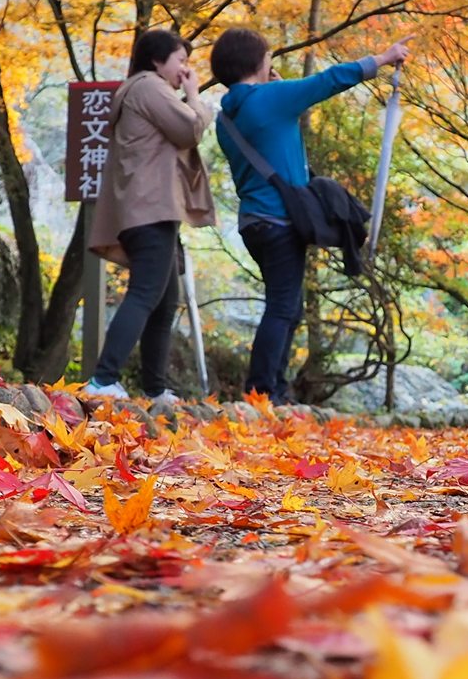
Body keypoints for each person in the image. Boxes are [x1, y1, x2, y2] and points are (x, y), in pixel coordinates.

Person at [210, 26, 411, 402]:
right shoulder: (270, 100)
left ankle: (275, 388)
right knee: (283, 306)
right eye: (268, 56)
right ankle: (262, 391)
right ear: (258, 62)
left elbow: (273, 132)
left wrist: (277, 88)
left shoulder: (227, 118)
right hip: (280, 222)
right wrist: (382, 59)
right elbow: (327, 81)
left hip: (253, 223)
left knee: (288, 305)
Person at [84, 29, 214, 408]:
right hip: (150, 208)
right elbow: (189, 129)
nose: (185, 70)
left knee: (164, 297)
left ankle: (154, 387)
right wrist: (194, 96)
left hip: (150, 208)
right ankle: (103, 378)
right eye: (181, 61)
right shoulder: (149, 87)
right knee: (145, 293)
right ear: (158, 61)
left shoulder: (139, 89)